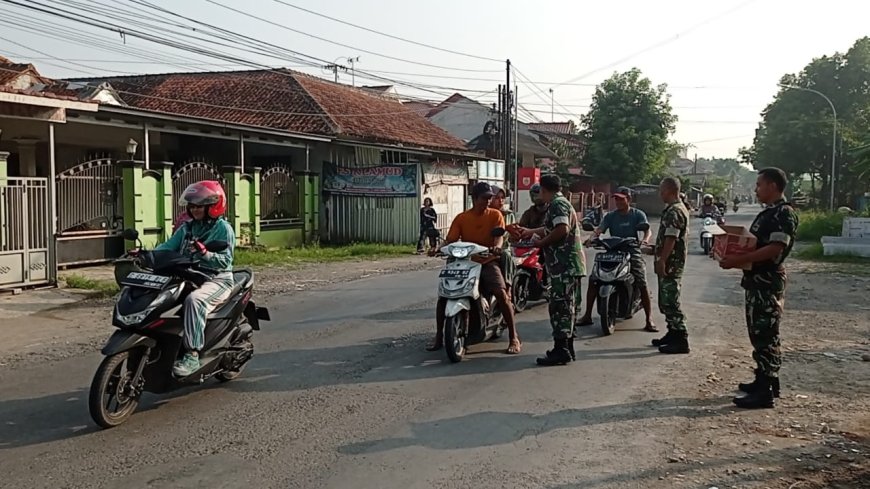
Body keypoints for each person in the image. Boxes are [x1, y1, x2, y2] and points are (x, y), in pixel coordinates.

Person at [720, 167, 798, 409]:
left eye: (759, 185)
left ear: (773, 186)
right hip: (757, 281)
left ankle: (764, 392)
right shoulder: (770, 213)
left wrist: (736, 260)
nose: (756, 190)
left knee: (765, 334)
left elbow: (775, 248)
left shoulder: (783, 213)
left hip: (767, 282)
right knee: (759, 333)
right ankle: (765, 380)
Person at [427, 182, 521, 354]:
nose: (488, 201)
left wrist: (497, 247)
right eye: (484, 198)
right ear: (474, 198)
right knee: (443, 296)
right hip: (465, 262)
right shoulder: (462, 218)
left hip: (487, 261)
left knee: (501, 293)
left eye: (489, 198)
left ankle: (513, 337)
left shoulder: (495, 215)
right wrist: (437, 248)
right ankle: (439, 336)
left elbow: (498, 237)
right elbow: (450, 240)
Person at [155, 181, 235, 377]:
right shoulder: (187, 228)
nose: (194, 209)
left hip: (216, 279)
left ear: (213, 206)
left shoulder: (223, 229)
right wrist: (146, 254)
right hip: (189, 275)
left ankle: (192, 355)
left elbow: (225, 261)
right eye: (191, 206)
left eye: (199, 205)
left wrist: (206, 253)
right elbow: (168, 246)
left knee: (195, 301)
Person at [520, 174, 585, 366]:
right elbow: (551, 226)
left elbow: (562, 229)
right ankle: (568, 347)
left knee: (560, 307)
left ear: (544, 190)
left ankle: (561, 350)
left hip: (563, 265)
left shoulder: (557, 205)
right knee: (568, 306)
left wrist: (541, 243)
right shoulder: (561, 203)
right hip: (567, 265)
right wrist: (531, 232)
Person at [577, 187, 656, 332]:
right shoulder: (610, 216)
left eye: (621, 199)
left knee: (641, 280)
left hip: (631, 250)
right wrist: (591, 238)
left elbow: (647, 229)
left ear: (629, 200)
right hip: (612, 250)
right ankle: (587, 315)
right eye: (616, 199)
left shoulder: (638, 214)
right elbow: (599, 230)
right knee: (594, 279)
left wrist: (645, 240)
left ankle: (649, 319)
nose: (618, 202)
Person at [645, 177, 690, 354]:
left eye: (662, 190)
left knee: (670, 301)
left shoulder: (675, 211)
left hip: (671, 263)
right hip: (670, 261)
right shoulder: (675, 209)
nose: (660, 194)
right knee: (665, 301)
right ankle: (672, 333)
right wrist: (654, 250)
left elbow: (671, 238)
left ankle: (681, 339)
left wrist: (662, 259)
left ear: (670, 190)